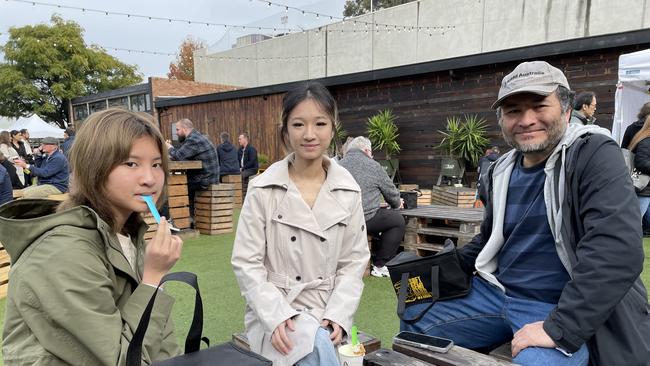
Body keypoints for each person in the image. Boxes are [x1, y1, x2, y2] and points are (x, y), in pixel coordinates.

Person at [401, 61, 649, 366]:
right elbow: (492, 237)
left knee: (541, 362)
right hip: (496, 294)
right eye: (513, 110)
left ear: (567, 110)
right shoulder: (501, 170)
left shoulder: (593, 155)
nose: (526, 119)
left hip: (556, 305)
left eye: (539, 105)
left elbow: (617, 252)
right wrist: (434, 276)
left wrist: (560, 327)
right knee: (415, 319)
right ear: (502, 120)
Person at [0, 108, 183, 364]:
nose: (149, 179)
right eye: (131, 164)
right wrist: (152, 280)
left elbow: (159, 339)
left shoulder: (127, 232)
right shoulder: (63, 253)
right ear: (94, 166)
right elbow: (123, 360)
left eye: (156, 164)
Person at [231, 81, 370, 366]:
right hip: (277, 314)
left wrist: (339, 314)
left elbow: (354, 261)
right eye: (298, 125)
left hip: (329, 310)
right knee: (316, 350)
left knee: (322, 345)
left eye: (319, 123)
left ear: (333, 128)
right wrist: (276, 314)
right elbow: (247, 262)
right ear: (285, 129)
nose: (309, 134)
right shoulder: (263, 188)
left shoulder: (348, 189)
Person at [339, 136, 405, 278]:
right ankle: (381, 265)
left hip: (338, 219)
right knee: (397, 221)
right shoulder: (374, 166)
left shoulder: (337, 166)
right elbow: (392, 194)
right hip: (363, 219)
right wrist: (397, 202)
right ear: (367, 151)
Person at [165, 118, 220, 216]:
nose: (176, 133)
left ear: (185, 129)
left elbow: (178, 156)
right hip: (210, 177)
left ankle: (180, 219)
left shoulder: (193, 140)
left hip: (205, 180)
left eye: (177, 130)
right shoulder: (198, 137)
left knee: (176, 186)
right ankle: (189, 219)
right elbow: (182, 154)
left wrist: (169, 148)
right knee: (182, 184)